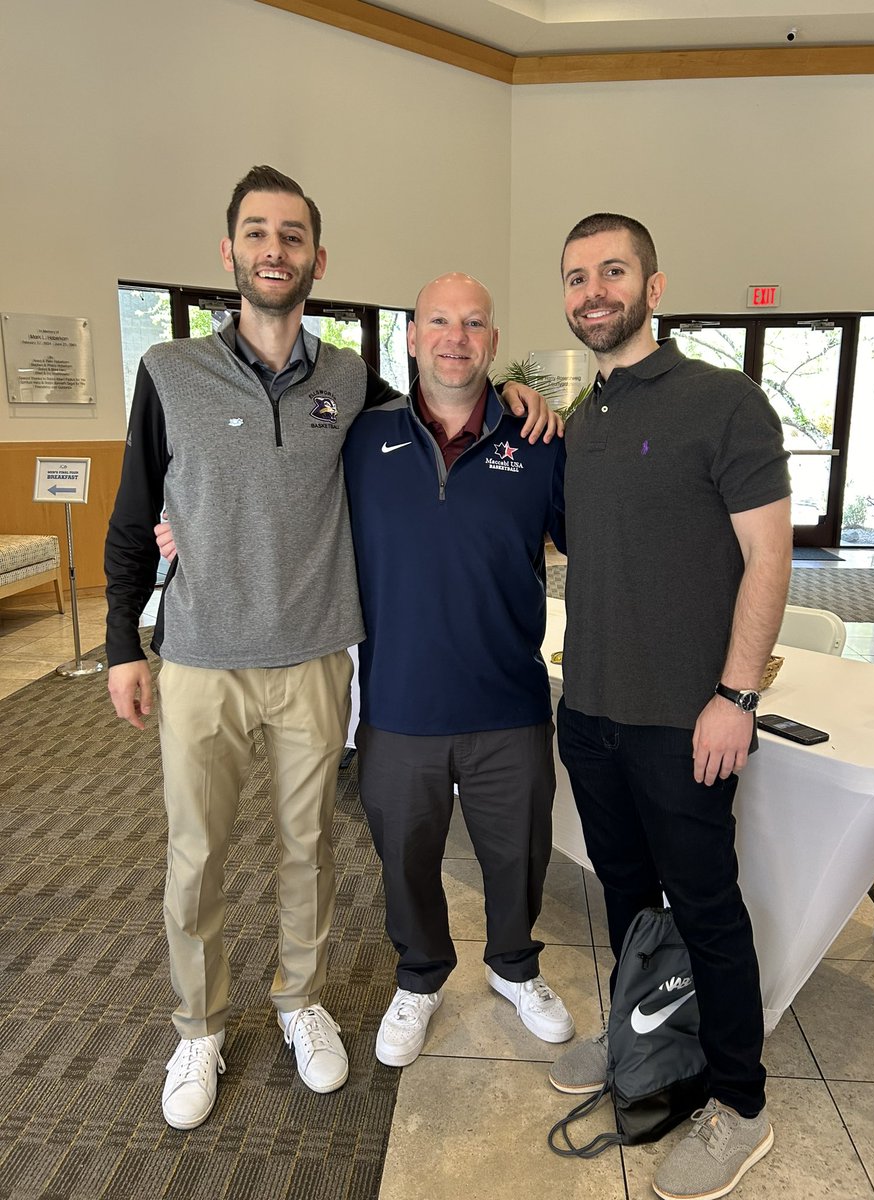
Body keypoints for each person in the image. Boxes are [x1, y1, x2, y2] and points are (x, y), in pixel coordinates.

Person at [104, 166, 558, 1131]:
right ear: (230, 252)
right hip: (196, 657)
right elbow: (134, 515)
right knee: (197, 856)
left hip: (315, 657)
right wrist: (120, 643)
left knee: (309, 847)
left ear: (318, 258)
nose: (276, 250)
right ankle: (200, 1025)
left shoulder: (352, 383)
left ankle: (301, 1001)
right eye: (258, 234)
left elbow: (447, 396)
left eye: (294, 236)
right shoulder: (169, 374)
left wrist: (518, 388)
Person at [545, 213, 792, 1200]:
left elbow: (769, 559)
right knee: (625, 899)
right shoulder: (579, 420)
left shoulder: (725, 404)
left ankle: (740, 1104)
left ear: (654, 286)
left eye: (613, 271)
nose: (593, 290)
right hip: (593, 713)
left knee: (709, 913)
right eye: (576, 277)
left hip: (686, 723)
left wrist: (737, 694)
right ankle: (641, 1024)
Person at [342, 273, 571, 1066]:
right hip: (399, 706)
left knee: (518, 854)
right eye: (439, 320)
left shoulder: (537, 441)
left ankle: (514, 966)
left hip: (508, 701)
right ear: (411, 336)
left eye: (474, 323)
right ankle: (420, 975)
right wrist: (178, 526)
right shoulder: (360, 442)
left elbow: (599, 541)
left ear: (494, 342)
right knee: (404, 858)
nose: (456, 337)